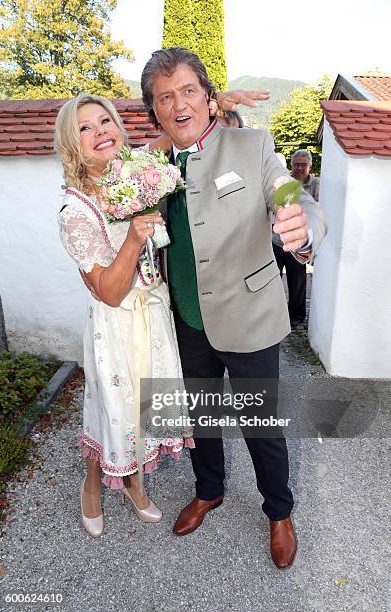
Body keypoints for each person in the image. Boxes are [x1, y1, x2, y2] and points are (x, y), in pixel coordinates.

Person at [141, 47, 327, 569]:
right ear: (154, 110)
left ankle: (279, 512)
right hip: (186, 320)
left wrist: (304, 223)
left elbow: (291, 193)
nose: (179, 104)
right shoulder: (147, 165)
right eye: (165, 97)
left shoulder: (251, 144)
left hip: (248, 316)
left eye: (188, 91)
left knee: (260, 426)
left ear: (208, 96)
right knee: (202, 417)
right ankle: (210, 490)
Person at [55, 88, 270, 538]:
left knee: (145, 414)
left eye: (105, 121)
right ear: (72, 145)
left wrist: (209, 101)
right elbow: (109, 293)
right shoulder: (75, 209)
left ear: (119, 127)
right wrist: (133, 238)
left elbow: (179, 131)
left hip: (159, 316)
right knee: (112, 410)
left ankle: (134, 484)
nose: (99, 132)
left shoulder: (139, 169)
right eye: (84, 128)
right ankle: (92, 485)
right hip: (119, 326)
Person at [272, 149, 320, 325]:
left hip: (299, 243)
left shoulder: (316, 185)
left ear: (310, 166)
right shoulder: (284, 182)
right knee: (272, 280)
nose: (299, 168)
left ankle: (296, 317)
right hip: (277, 240)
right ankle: (274, 315)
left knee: (298, 281)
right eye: (296, 165)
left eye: (303, 165)